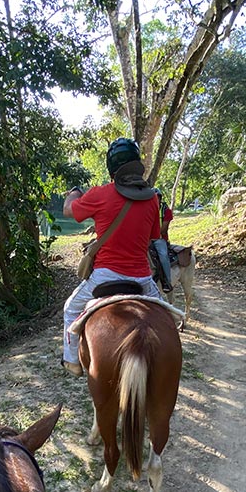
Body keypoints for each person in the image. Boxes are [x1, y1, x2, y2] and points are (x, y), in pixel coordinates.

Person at [61, 137, 164, 377]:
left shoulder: (99, 194)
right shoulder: (152, 199)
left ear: (111, 167)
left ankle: (72, 361)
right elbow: (153, 238)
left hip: (104, 276)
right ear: (137, 164)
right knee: (165, 315)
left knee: (70, 308)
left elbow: (69, 210)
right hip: (142, 279)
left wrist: (75, 193)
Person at [151, 189, 174, 293]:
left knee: (163, 255)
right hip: (145, 238)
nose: (155, 200)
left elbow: (164, 229)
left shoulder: (166, 211)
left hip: (159, 238)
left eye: (157, 198)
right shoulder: (146, 209)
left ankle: (167, 281)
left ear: (160, 199)